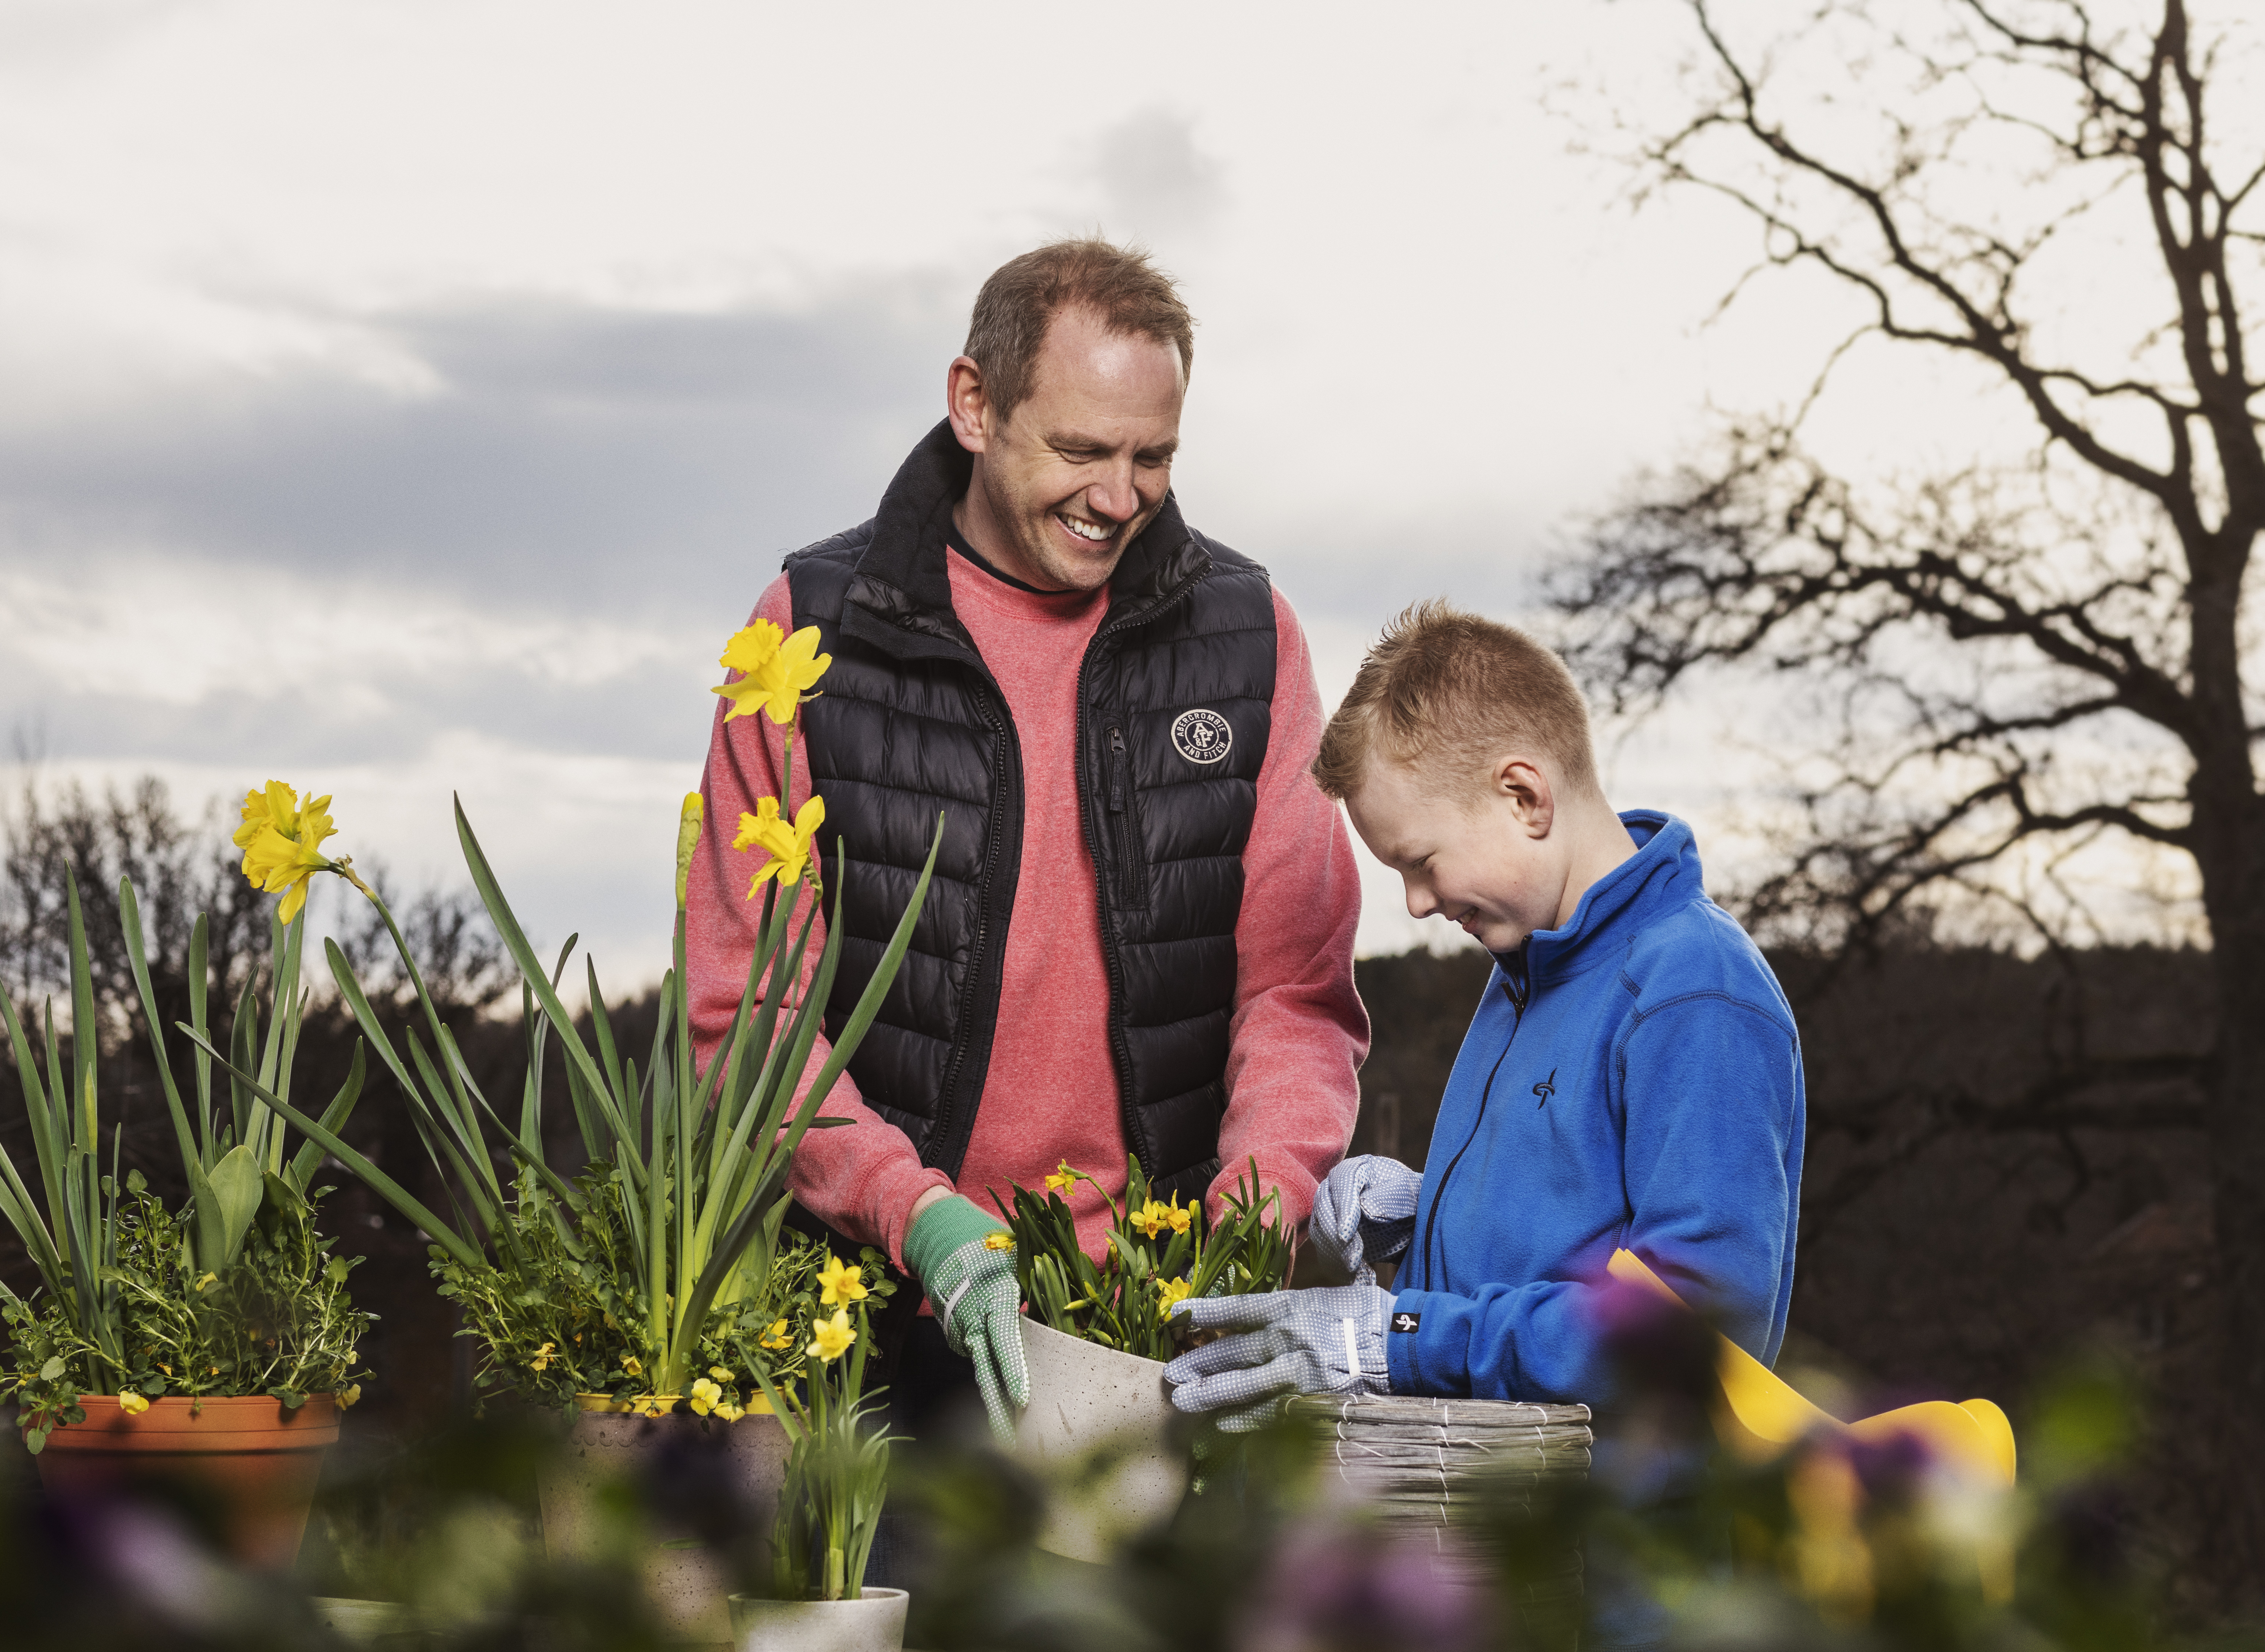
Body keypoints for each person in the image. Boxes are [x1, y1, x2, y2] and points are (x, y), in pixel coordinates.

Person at [688, 238, 1370, 1456]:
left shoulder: (1248, 638)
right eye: (1080, 450)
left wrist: (1246, 1229)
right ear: (975, 404)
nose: (1119, 496)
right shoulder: (808, 635)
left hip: (1155, 1336)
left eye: (1152, 457)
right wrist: (915, 1217)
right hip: (880, 1320)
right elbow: (747, 1018)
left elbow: (1297, 994)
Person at [1164, 599, 1804, 1423]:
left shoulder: (1694, 993)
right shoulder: (1524, 968)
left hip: (1611, 1506)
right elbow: (1580, 1231)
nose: (1417, 903)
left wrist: (1399, 1338)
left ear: (1524, 796)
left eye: (1422, 862)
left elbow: (1696, 1331)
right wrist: (1431, 1210)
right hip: (1496, 1489)